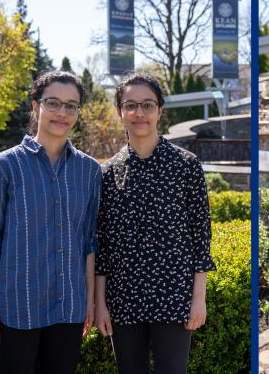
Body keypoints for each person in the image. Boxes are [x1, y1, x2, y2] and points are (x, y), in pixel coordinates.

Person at [0, 71, 101, 373]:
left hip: (69, 307)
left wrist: (89, 301)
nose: (62, 113)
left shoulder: (90, 171)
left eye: (72, 106)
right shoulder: (3, 166)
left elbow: (88, 242)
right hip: (16, 308)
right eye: (53, 103)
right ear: (35, 105)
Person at [93, 72, 216, 374]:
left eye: (148, 104)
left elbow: (201, 237)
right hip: (123, 298)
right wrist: (100, 303)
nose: (139, 113)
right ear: (120, 112)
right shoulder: (108, 173)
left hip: (174, 294)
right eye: (130, 105)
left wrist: (198, 298)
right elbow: (103, 245)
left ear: (160, 110)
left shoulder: (186, 165)